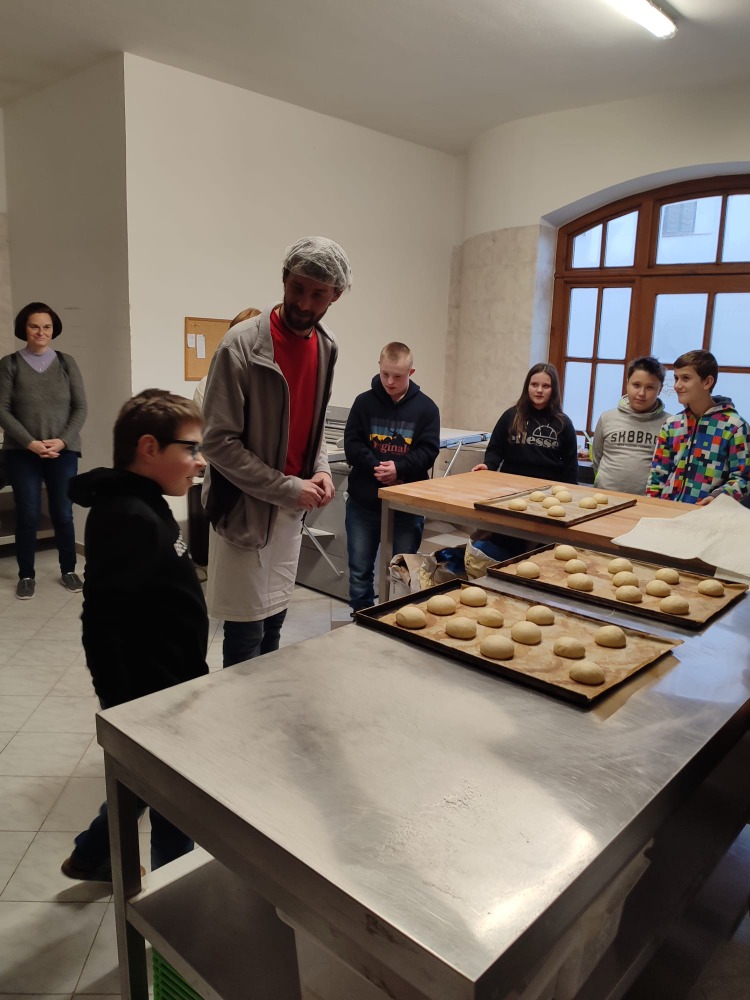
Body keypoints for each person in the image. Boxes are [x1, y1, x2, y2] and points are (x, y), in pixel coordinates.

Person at [61, 389, 209, 880]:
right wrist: (123, 708)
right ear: (149, 448)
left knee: (142, 783)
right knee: (175, 802)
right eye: (190, 448)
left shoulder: (148, 503)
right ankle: (177, 894)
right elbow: (102, 622)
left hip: (173, 681)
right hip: (151, 694)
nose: (199, 461)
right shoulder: (126, 516)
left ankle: (90, 855)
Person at [202, 236, 351, 667]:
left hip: (289, 514)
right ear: (284, 278)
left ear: (336, 295)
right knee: (245, 632)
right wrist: (288, 487)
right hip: (244, 509)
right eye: (297, 288)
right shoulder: (241, 345)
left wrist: (321, 469)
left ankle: (264, 704)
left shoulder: (326, 345)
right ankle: (241, 707)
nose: (304, 303)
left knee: (274, 624)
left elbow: (313, 423)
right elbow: (218, 442)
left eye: (318, 294)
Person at [0, 302, 87, 600]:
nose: (41, 332)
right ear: (24, 329)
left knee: (62, 513)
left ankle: (69, 570)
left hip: (63, 451)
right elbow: (2, 410)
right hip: (22, 452)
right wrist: (30, 443)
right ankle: (26, 575)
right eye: (34, 326)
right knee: (27, 513)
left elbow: (80, 407)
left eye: (46, 326)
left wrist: (62, 441)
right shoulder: (9, 364)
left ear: (53, 329)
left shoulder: (66, 362)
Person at [344, 342, 440, 612]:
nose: (389, 382)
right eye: (385, 374)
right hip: (364, 501)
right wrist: (378, 467)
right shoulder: (364, 402)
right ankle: (361, 618)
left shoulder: (427, 408)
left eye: (397, 376)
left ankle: (399, 617)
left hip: (406, 503)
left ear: (411, 372)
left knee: (404, 569)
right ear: (379, 367)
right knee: (360, 570)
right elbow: (352, 444)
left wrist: (400, 469)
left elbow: (429, 451)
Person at [471, 363, 578, 560]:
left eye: (545, 386)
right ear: (527, 386)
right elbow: (495, 448)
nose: (539, 390)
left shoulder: (563, 423)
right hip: (511, 492)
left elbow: (570, 466)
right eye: (534, 384)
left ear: (554, 390)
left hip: (548, 497)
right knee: (507, 541)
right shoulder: (511, 416)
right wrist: (488, 465)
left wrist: (569, 500)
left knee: (541, 550)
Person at [647, 349, 748, 505]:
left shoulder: (734, 427)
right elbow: (657, 475)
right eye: (676, 378)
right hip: (668, 511)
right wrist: (651, 506)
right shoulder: (672, 425)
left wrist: (717, 497)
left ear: (707, 382)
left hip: (708, 513)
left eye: (685, 378)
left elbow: (744, 478)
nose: (677, 385)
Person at [592, 356, 671, 494]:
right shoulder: (607, 418)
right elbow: (597, 457)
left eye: (650, 387)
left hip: (648, 500)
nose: (641, 393)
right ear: (627, 384)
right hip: (605, 496)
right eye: (636, 385)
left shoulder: (670, 423)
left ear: (660, 389)